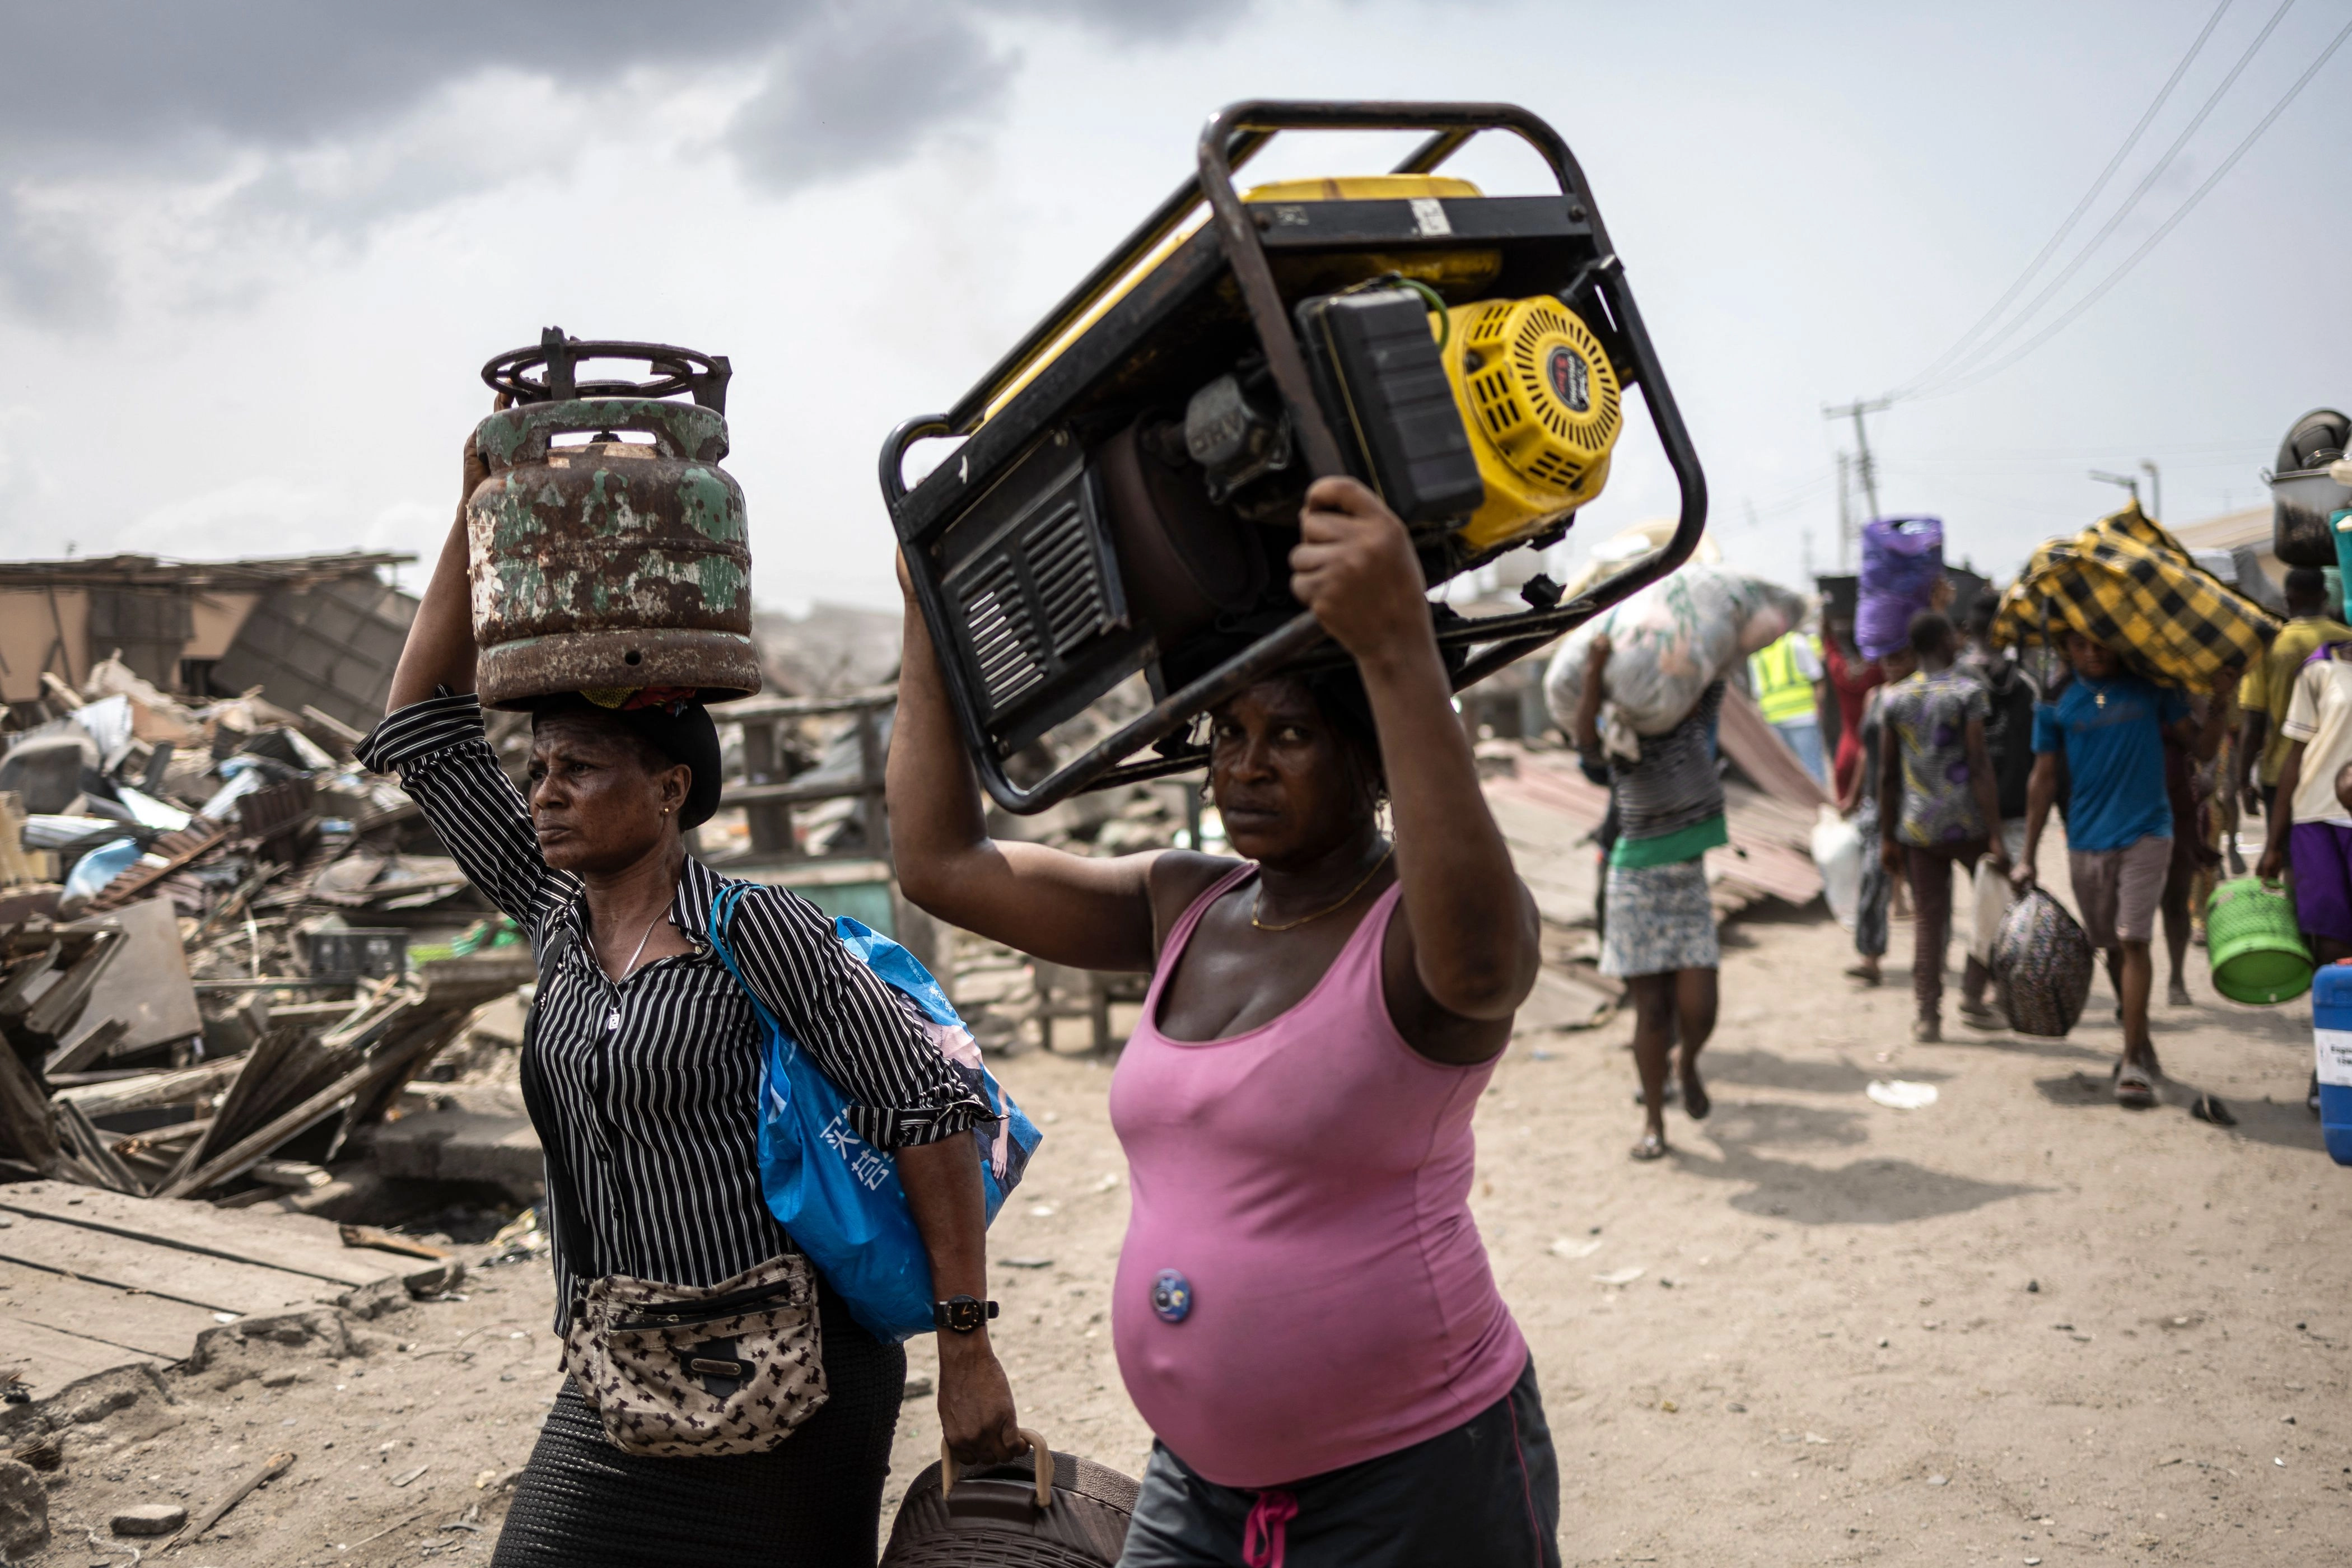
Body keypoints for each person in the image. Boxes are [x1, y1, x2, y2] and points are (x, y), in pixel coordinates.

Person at [364, 426, 1022, 1567]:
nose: (544, 792)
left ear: (669, 788)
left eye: (579, 767)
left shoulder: (754, 928)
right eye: (537, 767)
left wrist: (967, 1341)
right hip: (618, 1370)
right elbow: (421, 720)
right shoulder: (552, 911)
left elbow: (925, 1106)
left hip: (793, 1376)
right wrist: (475, 508)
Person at [888, 475, 1561, 1567]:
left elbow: (1488, 964)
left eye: (1289, 731)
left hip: (1419, 1471)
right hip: (1198, 1483)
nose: (1243, 763)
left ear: (1371, 755)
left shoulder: (1418, 935)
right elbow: (941, 862)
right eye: (1227, 729)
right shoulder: (1181, 903)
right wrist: (925, 619)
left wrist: (1396, 649)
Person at [2014, 631, 2234, 1108]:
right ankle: (2142, 1040)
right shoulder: (2056, 701)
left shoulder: (2154, 687)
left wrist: (2220, 700)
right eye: (2079, 645)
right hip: (2085, 839)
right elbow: (2044, 776)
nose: (2092, 653)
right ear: (2066, 647)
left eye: (2101, 644)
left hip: (2148, 832)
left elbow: (2201, 748)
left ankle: (2132, 1060)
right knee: (2111, 947)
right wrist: (2027, 855)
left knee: (2134, 939)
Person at [1573, 642, 1723, 1160]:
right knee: (1651, 1011)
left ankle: (1688, 1063)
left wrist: (1684, 648)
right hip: (1634, 882)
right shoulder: (1618, 737)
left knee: (1700, 1008)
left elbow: (1716, 670)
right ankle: (1655, 1122)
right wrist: (1594, 669)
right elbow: (1583, 742)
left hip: (1687, 882)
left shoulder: (1691, 727)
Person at [1877, 612, 2008, 1042]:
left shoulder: (1894, 699)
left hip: (1918, 829)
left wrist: (1886, 837)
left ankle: (1927, 1015)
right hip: (1967, 823)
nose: (1959, 640)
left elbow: (1886, 776)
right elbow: (1979, 764)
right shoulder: (1968, 693)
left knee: (1929, 923)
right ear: (1943, 641)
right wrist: (1995, 832)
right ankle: (1974, 990)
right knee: (1992, 910)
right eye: (1954, 634)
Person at [2256, 638, 2352, 1114]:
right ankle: (2332, 1065)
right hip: (2319, 819)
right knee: (2332, 948)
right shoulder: (2319, 668)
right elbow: (2296, 757)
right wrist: (2274, 841)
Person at [1956, 592, 2039, 1026]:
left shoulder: (1958, 684)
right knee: (2004, 906)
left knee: (1991, 903)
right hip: (2010, 812)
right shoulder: (2025, 686)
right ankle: (1979, 993)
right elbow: (2037, 756)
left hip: (1962, 815)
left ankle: (1993, 991)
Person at [2238, 567, 2352, 823]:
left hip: (2281, 775)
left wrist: (2243, 779)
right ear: (2325, 595)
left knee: (2288, 857)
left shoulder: (2269, 646)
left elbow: (2254, 722)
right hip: (2343, 774)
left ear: (2288, 598)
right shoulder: (2347, 640)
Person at [1841, 645, 1916, 988]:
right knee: (1873, 880)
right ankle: (1870, 959)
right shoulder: (1875, 698)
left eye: (1898, 657)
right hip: (1877, 803)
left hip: (1916, 804)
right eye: (1887, 659)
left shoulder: (1919, 696)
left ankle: (1932, 959)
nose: (1891, 666)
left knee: (1927, 885)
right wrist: (1854, 796)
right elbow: (1864, 752)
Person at [1748, 625, 1828, 783]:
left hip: (1797, 719)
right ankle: (1815, 805)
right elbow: (1819, 681)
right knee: (1805, 770)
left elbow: (1818, 682)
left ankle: (1816, 805)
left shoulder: (1792, 644)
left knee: (1807, 771)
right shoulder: (1794, 643)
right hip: (1785, 720)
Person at [1823, 606, 1884, 807]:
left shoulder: (1839, 669)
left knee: (1849, 817)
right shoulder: (1881, 672)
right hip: (1878, 754)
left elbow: (1829, 644)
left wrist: (1827, 616)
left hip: (1847, 752)